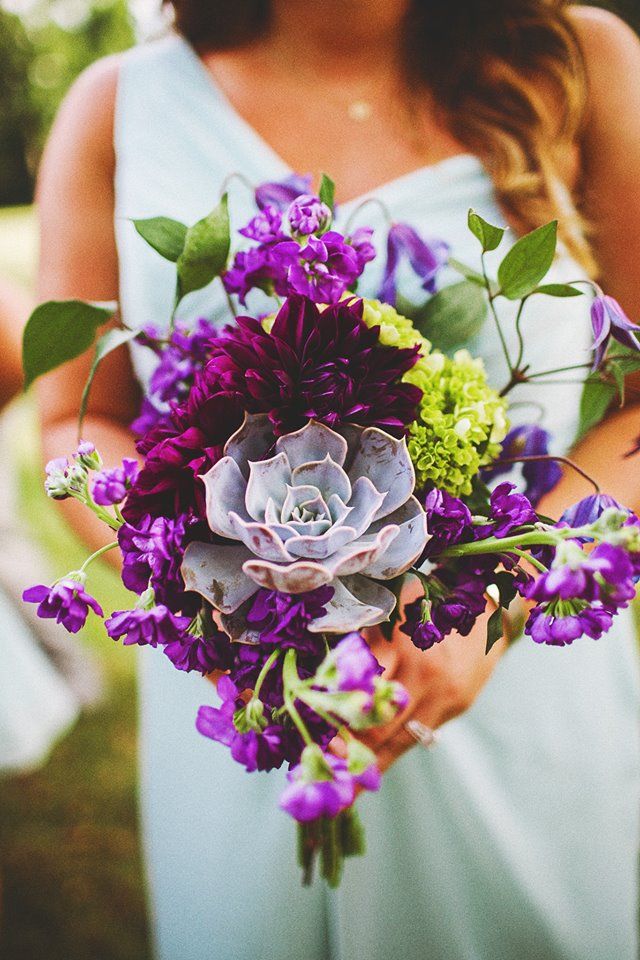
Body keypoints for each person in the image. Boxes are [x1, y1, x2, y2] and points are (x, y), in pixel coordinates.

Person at [35, 2, 640, 958]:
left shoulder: (583, 60)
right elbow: (83, 419)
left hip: (504, 668)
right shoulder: (119, 105)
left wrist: (501, 603)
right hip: (253, 683)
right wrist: (220, 581)